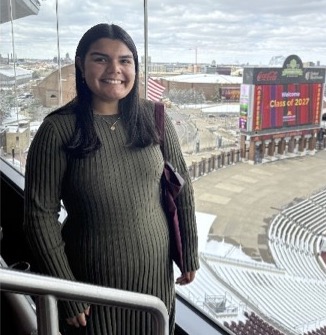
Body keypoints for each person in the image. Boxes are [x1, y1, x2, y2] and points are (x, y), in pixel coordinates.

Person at [23, 23, 200, 335]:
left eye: (125, 60)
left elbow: (181, 189)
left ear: (135, 66)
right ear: (81, 64)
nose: (114, 69)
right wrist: (67, 290)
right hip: (91, 292)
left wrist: (189, 253)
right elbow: (39, 216)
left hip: (154, 284)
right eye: (101, 59)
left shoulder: (155, 118)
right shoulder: (57, 131)